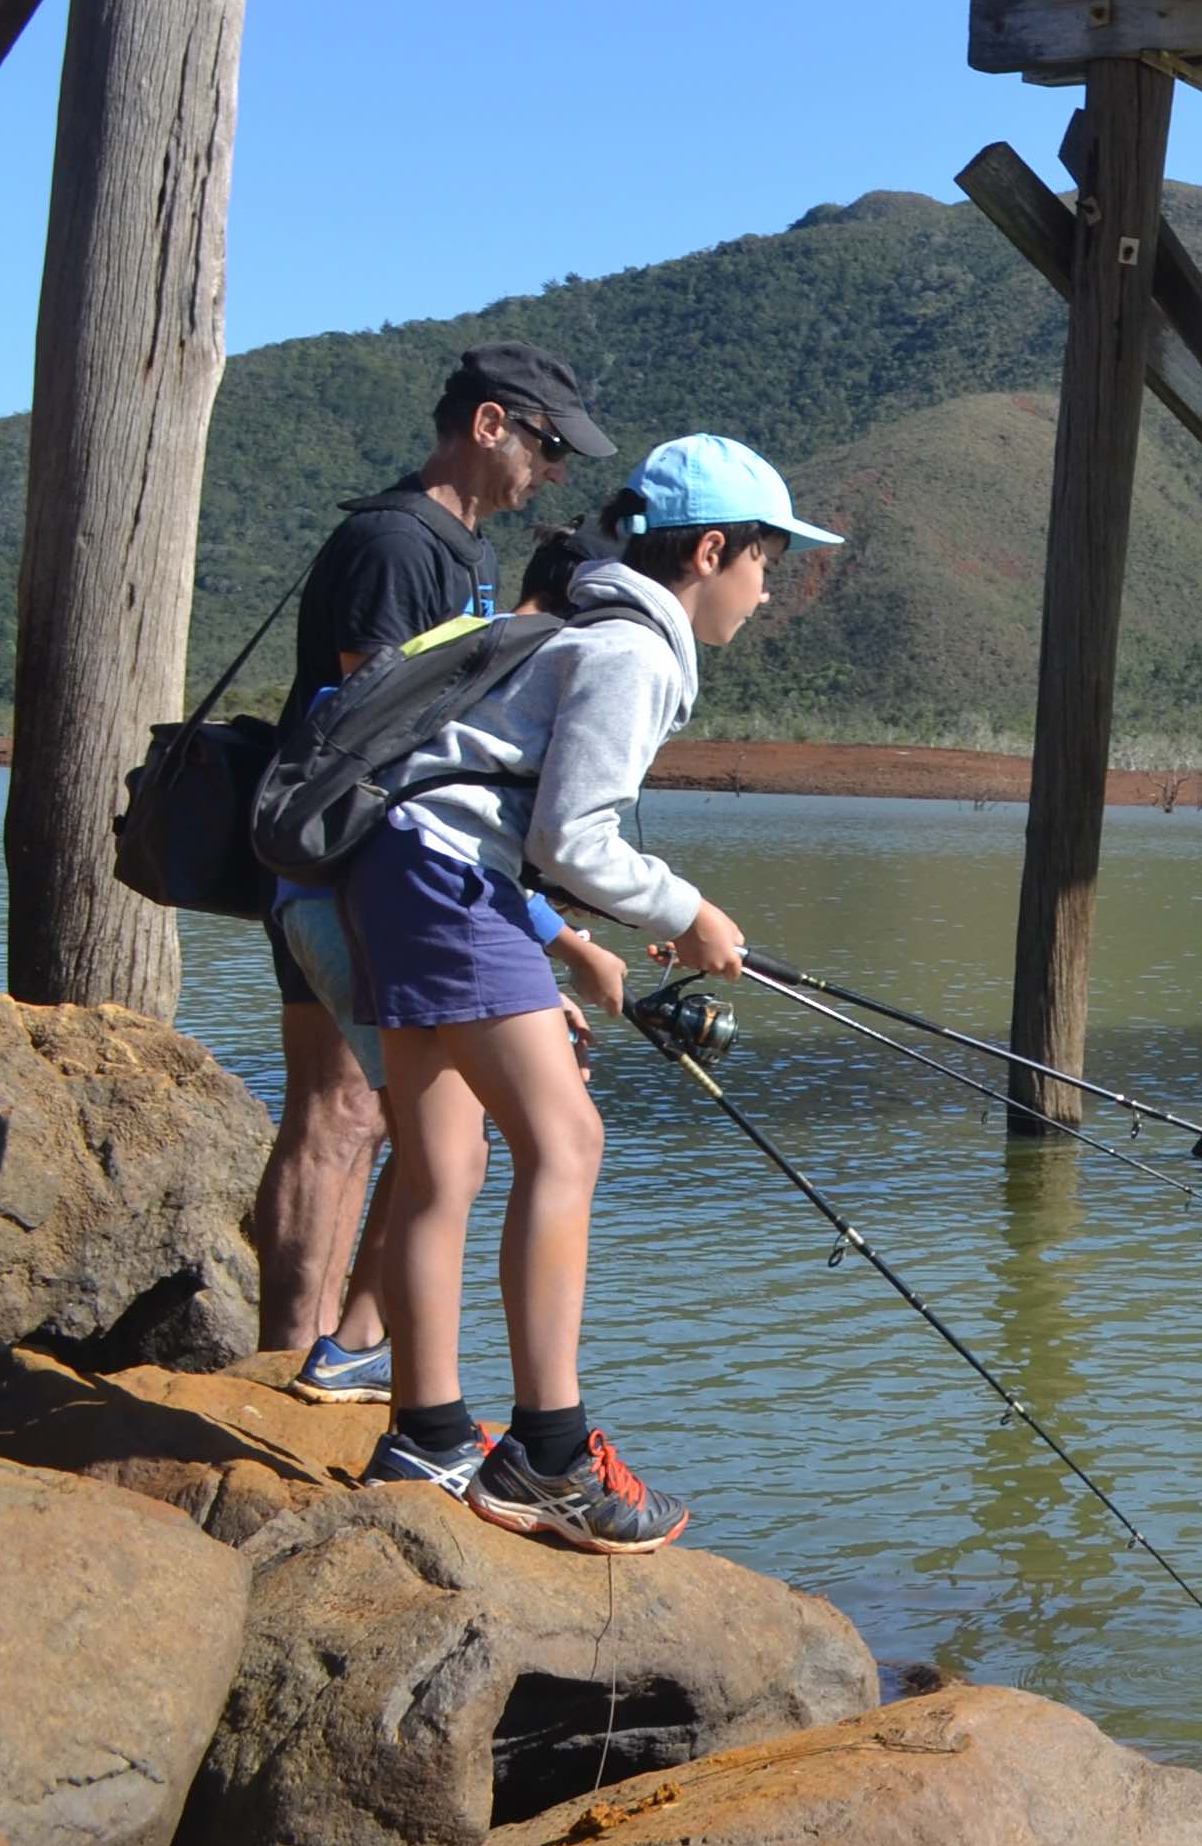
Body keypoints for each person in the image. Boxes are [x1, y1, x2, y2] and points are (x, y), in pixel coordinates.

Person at [344, 433, 838, 1552]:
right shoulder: (634, 652)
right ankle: (550, 1456)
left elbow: (539, 816)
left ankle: (425, 1431)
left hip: (395, 868)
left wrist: (631, 910)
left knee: (441, 1161)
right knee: (568, 1146)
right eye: (765, 563)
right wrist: (688, 912)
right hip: (450, 882)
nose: (768, 590)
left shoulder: (588, 624)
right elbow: (570, 834)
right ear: (710, 551)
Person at [253, 341, 616, 1399]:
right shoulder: (395, 543)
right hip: (342, 872)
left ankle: (347, 1347)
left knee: (403, 1113)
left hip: (394, 876)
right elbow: (381, 731)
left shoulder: (462, 552)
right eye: (546, 446)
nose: (552, 473)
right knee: (342, 1112)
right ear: (490, 424)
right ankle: (297, 1354)